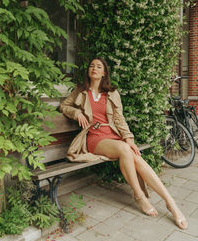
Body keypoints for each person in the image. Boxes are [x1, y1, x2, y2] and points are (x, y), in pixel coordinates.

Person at [60, 57, 188, 230]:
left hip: (112, 135)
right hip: (94, 138)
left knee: (134, 155)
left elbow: (119, 119)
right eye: (92, 66)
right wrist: (77, 113)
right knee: (125, 149)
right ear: (88, 71)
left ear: (104, 72)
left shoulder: (112, 93)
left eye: (99, 67)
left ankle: (170, 203)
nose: (94, 68)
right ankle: (139, 196)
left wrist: (129, 138)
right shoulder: (81, 91)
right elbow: (64, 106)